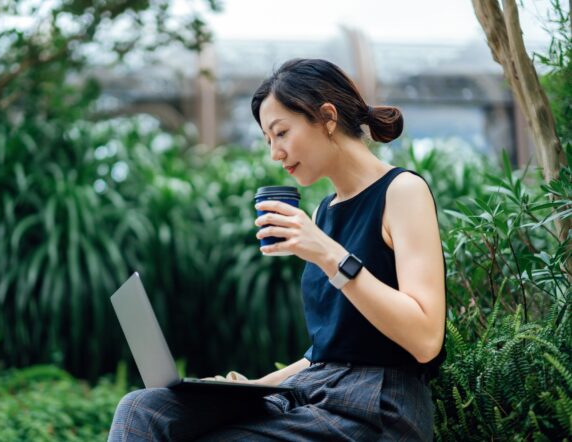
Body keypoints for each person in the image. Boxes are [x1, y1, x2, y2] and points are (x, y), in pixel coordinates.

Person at [108, 58, 446, 441]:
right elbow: (326, 352)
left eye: (281, 132)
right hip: (314, 393)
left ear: (328, 117)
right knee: (141, 407)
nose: (275, 153)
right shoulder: (324, 212)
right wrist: (249, 387)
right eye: (268, 139)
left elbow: (425, 339)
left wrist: (328, 254)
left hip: (379, 408)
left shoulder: (402, 192)